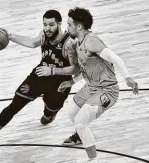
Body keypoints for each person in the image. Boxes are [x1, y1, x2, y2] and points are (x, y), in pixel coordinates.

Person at [37, 7, 139, 163]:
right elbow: (84, 69)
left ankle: (94, 160)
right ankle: (80, 136)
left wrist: (128, 78)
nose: (66, 28)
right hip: (91, 87)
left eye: (70, 25)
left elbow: (115, 58)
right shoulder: (78, 42)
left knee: (80, 121)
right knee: (71, 112)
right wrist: (71, 81)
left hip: (107, 90)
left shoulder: (91, 41)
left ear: (79, 27)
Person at [0, 9, 79, 156]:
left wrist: (53, 71)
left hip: (60, 83)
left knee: (49, 113)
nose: (47, 28)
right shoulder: (44, 35)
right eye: (45, 24)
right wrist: (10, 36)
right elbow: (32, 43)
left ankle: (49, 114)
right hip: (39, 76)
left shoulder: (69, 43)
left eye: (51, 25)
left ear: (59, 24)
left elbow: (77, 69)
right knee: (14, 105)